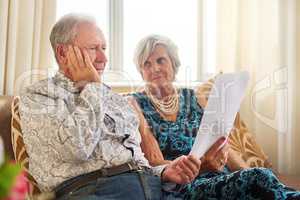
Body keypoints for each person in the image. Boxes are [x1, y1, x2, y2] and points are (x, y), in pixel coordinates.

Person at [18, 14, 208, 200]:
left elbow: (137, 158)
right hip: (95, 190)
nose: (103, 58)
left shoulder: (113, 98)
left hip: (150, 187)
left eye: (104, 48)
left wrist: (165, 171)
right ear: (63, 53)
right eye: (93, 48)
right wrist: (92, 86)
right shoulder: (38, 96)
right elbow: (78, 148)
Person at [129, 34, 300, 200]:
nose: (155, 69)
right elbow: (154, 162)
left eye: (160, 60)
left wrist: (245, 170)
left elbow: (222, 142)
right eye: (146, 64)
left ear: (174, 64)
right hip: (184, 184)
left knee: (261, 177)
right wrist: (200, 166)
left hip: (220, 175)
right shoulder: (136, 104)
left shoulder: (195, 98)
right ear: (141, 72)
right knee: (259, 179)